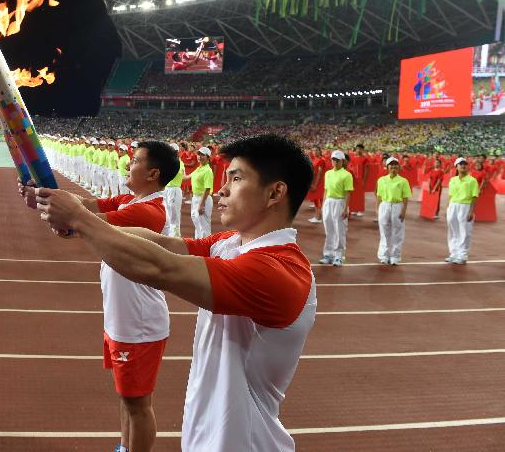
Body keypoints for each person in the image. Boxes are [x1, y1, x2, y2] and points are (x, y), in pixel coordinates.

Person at [35, 133, 316, 451]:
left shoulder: (278, 270)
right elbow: (165, 244)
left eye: (236, 179)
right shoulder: (229, 243)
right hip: (209, 436)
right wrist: (80, 224)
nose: (222, 190)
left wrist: (80, 219)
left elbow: (161, 268)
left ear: (275, 192)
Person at [24, 141, 177, 452]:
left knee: (138, 405)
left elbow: (80, 220)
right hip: (121, 319)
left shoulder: (147, 211)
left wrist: (57, 210)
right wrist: (42, 194)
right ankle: (124, 446)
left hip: (139, 324)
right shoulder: (130, 201)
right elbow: (84, 204)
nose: (126, 165)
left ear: (153, 173)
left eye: (134, 161)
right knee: (127, 398)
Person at [375, 157, 411, 265]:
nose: (394, 167)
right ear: (387, 167)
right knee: (384, 231)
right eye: (391, 165)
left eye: (396, 165)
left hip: (397, 206)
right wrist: (377, 209)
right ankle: (384, 255)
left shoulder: (403, 181)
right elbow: (379, 196)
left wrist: (404, 211)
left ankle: (395, 256)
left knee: (397, 231)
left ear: (399, 167)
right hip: (385, 205)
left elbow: (405, 197)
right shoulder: (381, 180)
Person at [320, 150, 353, 266]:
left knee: (340, 230)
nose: (335, 162)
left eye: (337, 160)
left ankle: (339, 256)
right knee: (329, 230)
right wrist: (323, 205)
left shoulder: (347, 175)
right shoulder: (328, 173)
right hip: (328, 202)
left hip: (340, 202)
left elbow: (348, 193)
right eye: (333, 159)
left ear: (342, 161)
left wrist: (345, 209)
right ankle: (328, 254)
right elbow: (326, 190)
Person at [445, 157, 479, 264]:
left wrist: (471, 211)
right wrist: (448, 208)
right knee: (453, 230)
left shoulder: (472, 180)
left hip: (465, 206)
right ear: (456, 167)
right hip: (453, 206)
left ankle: (462, 255)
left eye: (465, 164)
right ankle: (453, 253)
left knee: (464, 230)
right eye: (460, 164)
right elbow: (450, 195)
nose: (463, 165)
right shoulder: (452, 180)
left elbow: (474, 196)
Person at [189, 146, 214, 238]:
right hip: (195, 198)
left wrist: (201, 204)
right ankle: (198, 246)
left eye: (202, 155)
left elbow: (207, 189)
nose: (199, 156)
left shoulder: (208, 171)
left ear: (208, 157)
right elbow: (187, 177)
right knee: (197, 223)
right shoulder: (199, 168)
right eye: (198, 154)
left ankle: (206, 249)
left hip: (203, 198)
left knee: (204, 226)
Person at [163, 143, 184, 236]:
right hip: (167, 189)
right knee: (167, 213)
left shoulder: (179, 163)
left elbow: (174, 174)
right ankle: (169, 234)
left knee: (174, 214)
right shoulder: (168, 162)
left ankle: (175, 236)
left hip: (174, 189)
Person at [306, 147, 326, 224]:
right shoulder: (315, 159)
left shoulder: (321, 160)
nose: (314, 152)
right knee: (315, 199)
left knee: (317, 200)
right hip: (314, 181)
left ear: (320, 151)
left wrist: (315, 184)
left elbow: (320, 173)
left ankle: (319, 217)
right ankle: (317, 216)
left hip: (318, 183)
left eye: (316, 150)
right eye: (313, 150)